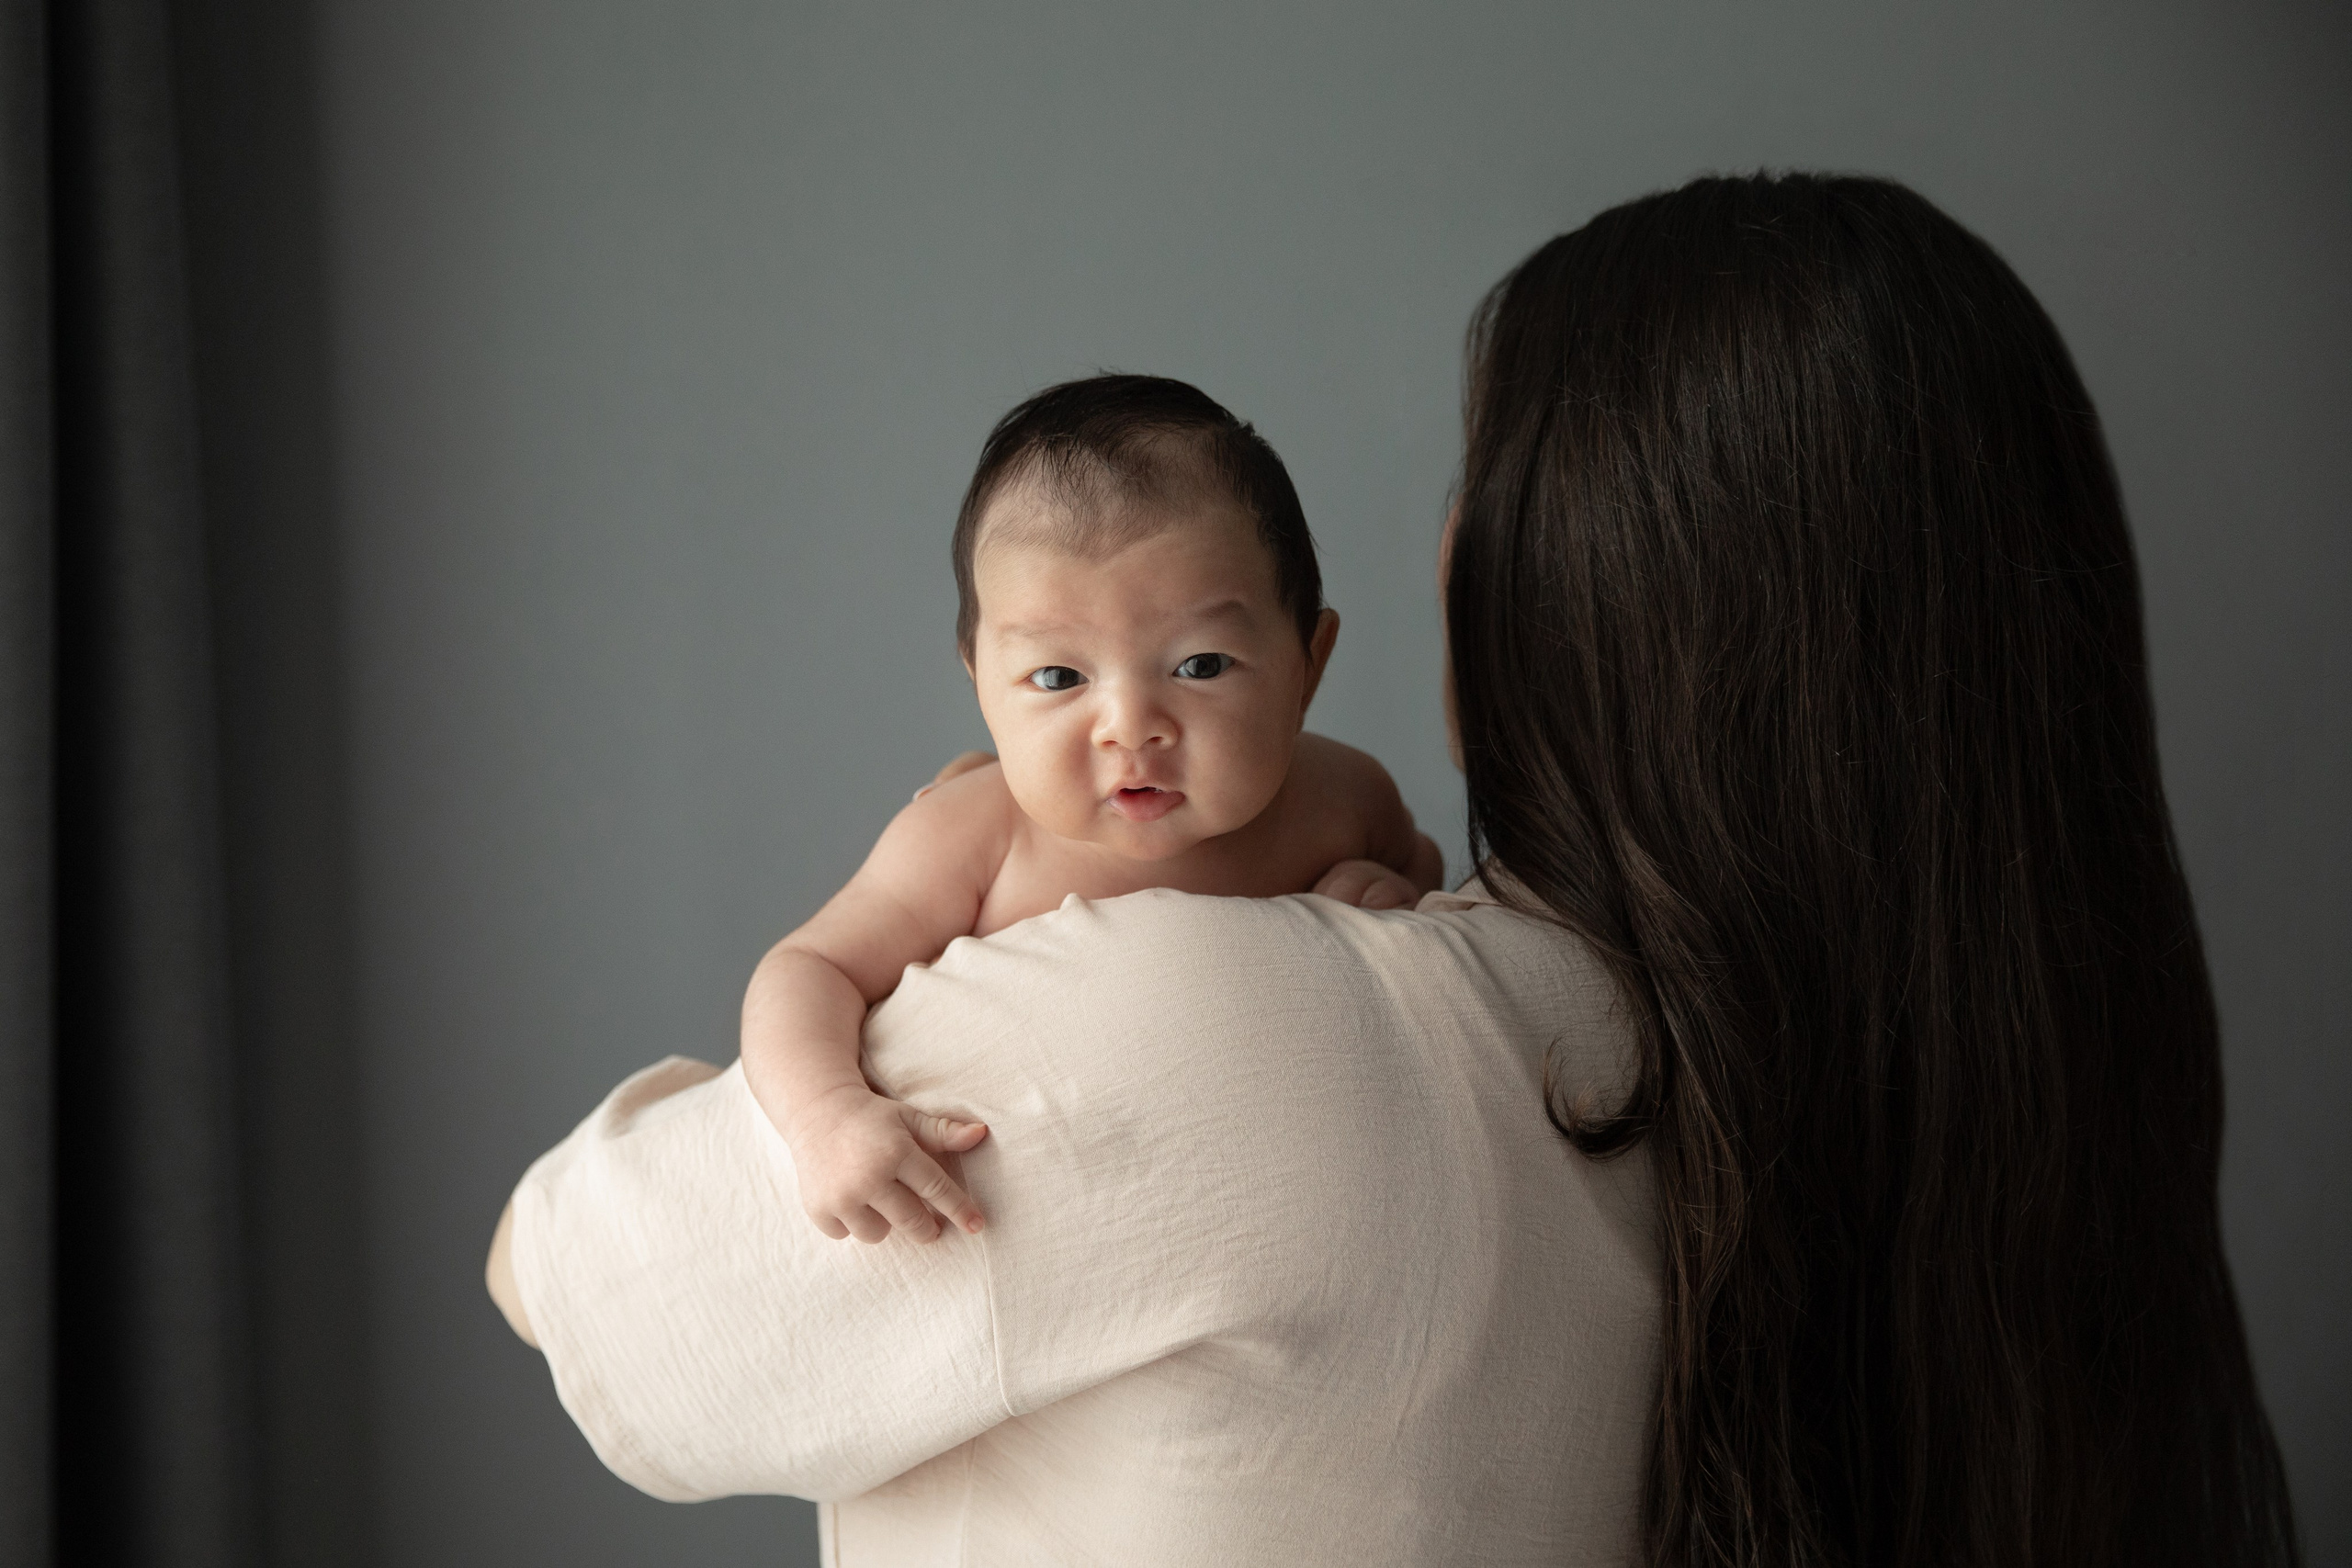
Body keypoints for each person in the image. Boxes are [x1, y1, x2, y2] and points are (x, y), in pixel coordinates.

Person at [490, 172, 2300, 1566]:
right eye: (1054, 671)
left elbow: (577, 1292)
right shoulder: (1905, 1145)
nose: (1123, 726)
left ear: (1475, 594)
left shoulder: (1200, 1011)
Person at [739, 374, 1443, 1250]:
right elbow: (808, 968)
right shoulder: (978, 832)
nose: (1130, 727)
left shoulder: (1344, 799)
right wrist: (827, 1116)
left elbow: (1423, 872)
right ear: (982, 687)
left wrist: (1393, 889)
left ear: (1309, 661)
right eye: (1060, 678)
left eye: (1201, 665)